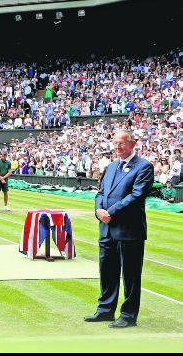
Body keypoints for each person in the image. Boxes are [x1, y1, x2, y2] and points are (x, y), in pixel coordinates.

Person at [86, 129, 153, 328]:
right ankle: (105, 310)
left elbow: (136, 196)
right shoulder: (112, 166)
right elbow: (100, 192)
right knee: (107, 270)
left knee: (131, 274)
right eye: (115, 143)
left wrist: (110, 212)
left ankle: (128, 315)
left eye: (122, 143)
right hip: (106, 228)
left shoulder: (144, 167)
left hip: (129, 230)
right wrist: (99, 210)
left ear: (133, 144)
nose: (117, 147)